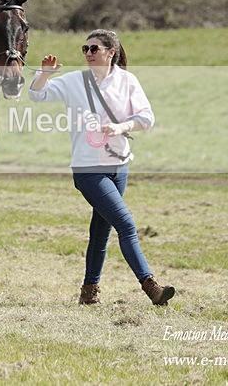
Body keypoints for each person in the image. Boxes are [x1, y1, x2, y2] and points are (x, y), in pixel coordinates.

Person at [28, 29, 176, 306]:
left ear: (111, 52)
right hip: (88, 169)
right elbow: (37, 96)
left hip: (119, 166)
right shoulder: (74, 80)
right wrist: (45, 73)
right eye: (85, 49)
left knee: (100, 231)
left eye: (94, 49)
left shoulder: (127, 81)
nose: (87, 53)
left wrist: (121, 127)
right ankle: (151, 287)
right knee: (126, 225)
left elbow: (146, 117)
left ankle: (89, 291)